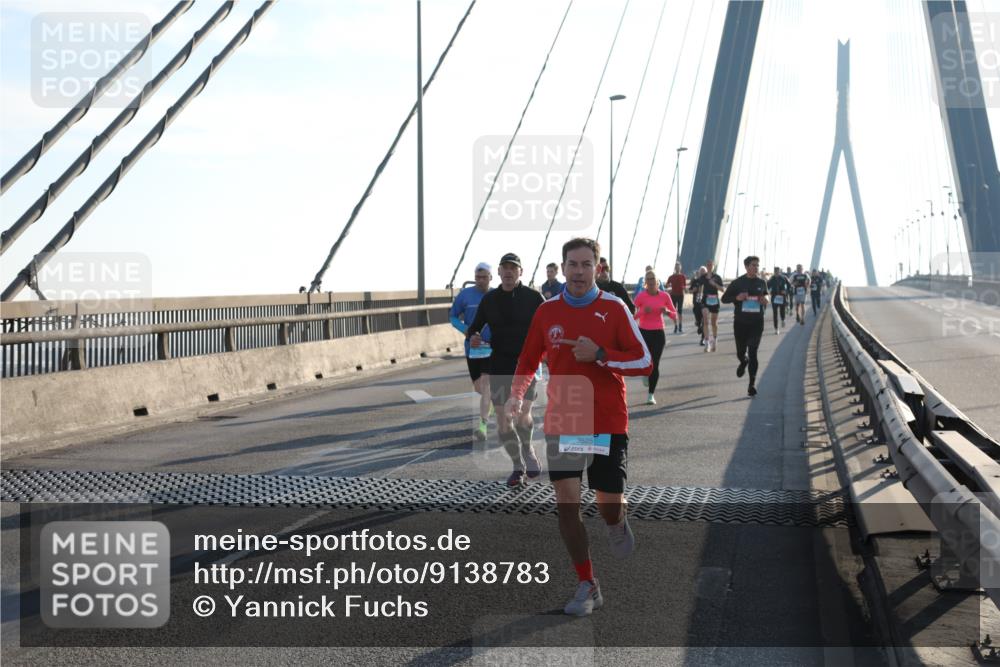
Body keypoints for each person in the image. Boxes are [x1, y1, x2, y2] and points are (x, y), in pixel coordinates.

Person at [507, 237, 651, 617]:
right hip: (566, 413)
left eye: (587, 264)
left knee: (607, 506)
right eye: (573, 264)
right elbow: (527, 358)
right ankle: (588, 584)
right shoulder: (547, 311)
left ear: (597, 268)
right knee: (567, 506)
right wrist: (517, 395)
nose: (579, 271)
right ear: (563, 267)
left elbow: (645, 361)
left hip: (605, 416)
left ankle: (617, 521)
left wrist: (602, 355)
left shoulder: (615, 308)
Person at [467, 253, 545, 487]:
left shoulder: (534, 298)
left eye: (514, 268)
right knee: (503, 421)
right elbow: (473, 328)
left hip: (527, 365)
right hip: (499, 364)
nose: (509, 272)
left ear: (521, 272)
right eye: (505, 268)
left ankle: (528, 448)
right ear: (498, 273)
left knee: (522, 416)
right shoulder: (490, 300)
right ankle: (517, 466)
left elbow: (549, 326)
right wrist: (474, 337)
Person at [450, 262, 493, 441]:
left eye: (484, 277)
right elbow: (452, 316)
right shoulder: (465, 295)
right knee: (479, 388)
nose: (480, 280)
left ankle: (482, 425)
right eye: (477, 277)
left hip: (492, 347)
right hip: (472, 347)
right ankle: (496, 401)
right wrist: (465, 329)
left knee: (486, 384)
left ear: (491, 277)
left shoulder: (497, 295)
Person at [721, 256, 769, 397]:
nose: (756, 268)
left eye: (757, 265)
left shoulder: (761, 282)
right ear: (747, 267)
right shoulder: (738, 283)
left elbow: (767, 297)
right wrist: (737, 298)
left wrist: (765, 300)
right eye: (753, 265)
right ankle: (743, 361)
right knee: (741, 352)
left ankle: (751, 385)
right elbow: (724, 299)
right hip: (741, 323)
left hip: (756, 323)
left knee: (753, 352)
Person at [633, 269, 676, 404]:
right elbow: (632, 316)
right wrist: (642, 312)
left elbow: (675, 316)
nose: (651, 282)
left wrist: (667, 311)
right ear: (645, 282)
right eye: (648, 279)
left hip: (658, 333)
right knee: (647, 361)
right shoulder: (640, 297)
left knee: (655, 363)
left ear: (657, 282)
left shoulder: (664, 296)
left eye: (653, 279)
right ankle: (646, 372)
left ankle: (651, 394)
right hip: (644, 332)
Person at [692, 260, 724, 352]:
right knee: (705, 320)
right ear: (707, 266)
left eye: (711, 265)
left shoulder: (717, 277)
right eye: (708, 265)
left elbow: (722, 289)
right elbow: (697, 284)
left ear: (713, 266)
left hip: (714, 301)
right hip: (705, 301)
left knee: (714, 323)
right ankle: (707, 343)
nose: (710, 266)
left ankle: (714, 340)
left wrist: (715, 284)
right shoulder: (703, 277)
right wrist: (695, 288)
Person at [766, 265, 791, 334]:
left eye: (778, 271)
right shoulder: (772, 279)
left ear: (779, 271)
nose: (776, 272)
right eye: (775, 271)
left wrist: (786, 291)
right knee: (775, 313)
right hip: (774, 297)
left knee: (782, 311)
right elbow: (767, 286)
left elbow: (789, 286)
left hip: (782, 297)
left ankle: (783, 320)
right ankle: (776, 329)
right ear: (774, 272)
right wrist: (768, 292)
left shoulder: (784, 278)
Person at [666, 262, 687, 334]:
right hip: (673, 295)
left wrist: (684, 288)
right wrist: (669, 288)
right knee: (674, 311)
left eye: (678, 267)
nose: (677, 268)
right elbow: (667, 285)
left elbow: (685, 286)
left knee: (680, 311)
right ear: (675, 268)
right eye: (676, 267)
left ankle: (680, 326)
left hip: (681, 295)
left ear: (680, 267)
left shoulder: (683, 276)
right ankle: (675, 326)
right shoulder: (671, 277)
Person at [690, 266, 706, 345]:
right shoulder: (695, 281)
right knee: (699, 321)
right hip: (696, 304)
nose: (703, 273)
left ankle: (702, 339)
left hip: (705, 304)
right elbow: (689, 290)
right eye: (701, 272)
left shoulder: (708, 282)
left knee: (705, 321)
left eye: (704, 272)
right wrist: (693, 290)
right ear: (699, 273)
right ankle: (698, 324)